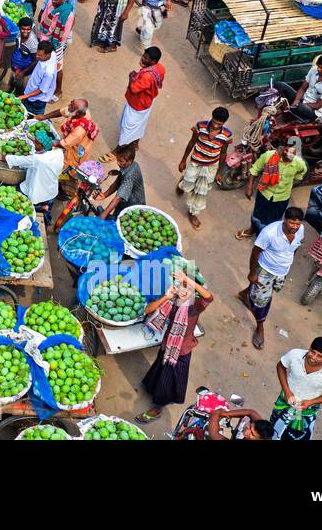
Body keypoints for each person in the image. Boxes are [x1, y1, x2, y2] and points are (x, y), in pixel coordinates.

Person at [137, 268, 212, 423]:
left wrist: (187, 279)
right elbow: (148, 310)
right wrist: (166, 296)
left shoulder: (194, 307)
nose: (184, 291)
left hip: (181, 351)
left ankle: (157, 408)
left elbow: (209, 297)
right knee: (159, 370)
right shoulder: (171, 303)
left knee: (168, 379)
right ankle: (153, 389)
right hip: (167, 345)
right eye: (181, 287)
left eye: (188, 288)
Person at [238, 206, 305, 350]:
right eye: (292, 223)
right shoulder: (269, 233)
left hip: (283, 270)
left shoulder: (301, 230)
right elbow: (255, 253)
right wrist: (252, 273)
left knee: (269, 291)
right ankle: (260, 327)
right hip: (265, 270)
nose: (295, 227)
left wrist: (288, 261)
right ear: (284, 220)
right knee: (262, 302)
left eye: (298, 224)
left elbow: (295, 247)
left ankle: (245, 294)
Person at [271, 338, 322, 440]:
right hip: (285, 403)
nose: (314, 357)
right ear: (309, 348)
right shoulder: (294, 354)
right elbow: (280, 366)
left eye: (320, 356)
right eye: (313, 352)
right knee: (273, 429)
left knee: (295, 436)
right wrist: (287, 391)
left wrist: (311, 402)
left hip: (306, 411)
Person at [177, 107, 232, 231]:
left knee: (201, 190)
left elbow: (223, 153)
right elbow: (191, 143)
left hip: (211, 165)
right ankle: (182, 182)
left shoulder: (227, 135)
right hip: (196, 161)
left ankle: (193, 213)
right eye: (215, 121)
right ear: (211, 117)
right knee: (188, 183)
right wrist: (183, 160)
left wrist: (220, 172)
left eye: (220, 123)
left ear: (224, 123)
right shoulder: (200, 126)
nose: (216, 125)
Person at [98, 144, 145, 218]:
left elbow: (118, 198)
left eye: (121, 161)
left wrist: (103, 215)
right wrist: (105, 195)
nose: (117, 163)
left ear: (129, 161)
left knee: (120, 220)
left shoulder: (129, 176)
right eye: (117, 160)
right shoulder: (133, 164)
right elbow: (118, 183)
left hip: (133, 207)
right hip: (127, 201)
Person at [18, 41, 57, 116]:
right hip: (30, 93)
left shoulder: (48, 72)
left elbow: (41, 90)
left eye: (40, 55)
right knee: (24, 111)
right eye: (37, 54)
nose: (37, 56)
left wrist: (24, 96)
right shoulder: (52, 54)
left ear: (48, 55)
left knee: (32, 117)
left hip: (37, 100)